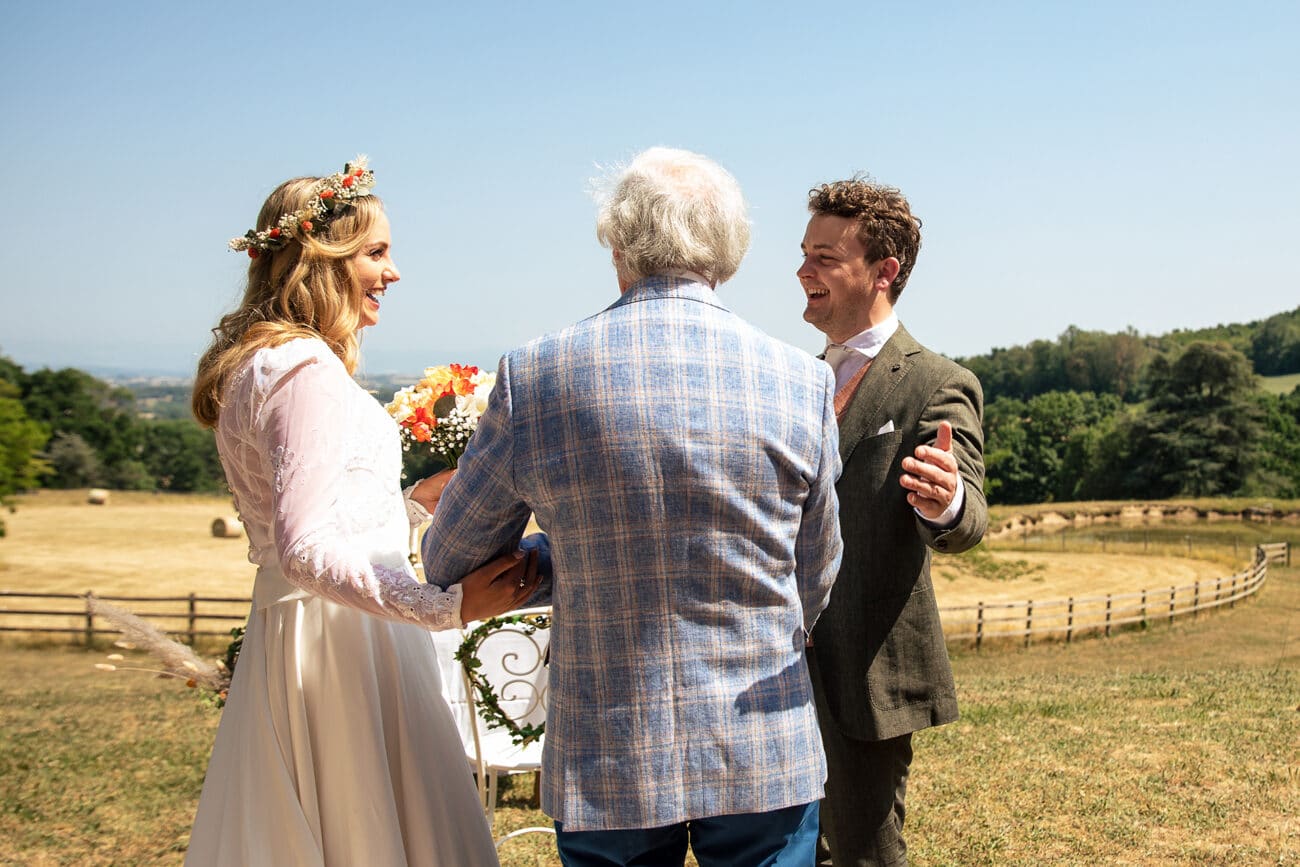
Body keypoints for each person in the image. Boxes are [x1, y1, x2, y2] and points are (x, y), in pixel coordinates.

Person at [420, 147, 844, 866]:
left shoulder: (536, 375)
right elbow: (816, 570)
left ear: (617, 245)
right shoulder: (800, 380)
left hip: (607, 745)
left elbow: (448, 557)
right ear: (730, 250)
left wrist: (565, 556)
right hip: (761, 745)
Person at [186, 158, 539, 867]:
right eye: (377, 252)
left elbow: (309, 513)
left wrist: (410, 504)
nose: (393, 272)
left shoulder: (261, 361)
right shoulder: (304, 368)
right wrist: (442, 604)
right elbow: (305, 546)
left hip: (302, 628)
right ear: (324, 259)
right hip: (342, 645)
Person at [796, 176, 988, 866]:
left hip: (867, 669)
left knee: (863, 854)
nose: (802, 272)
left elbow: (968, 512)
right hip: (778, 666)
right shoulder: (792, 377)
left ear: (884, 271)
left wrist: (949, 502)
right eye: (804, 253)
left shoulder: (937, 381)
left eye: (825, 257)